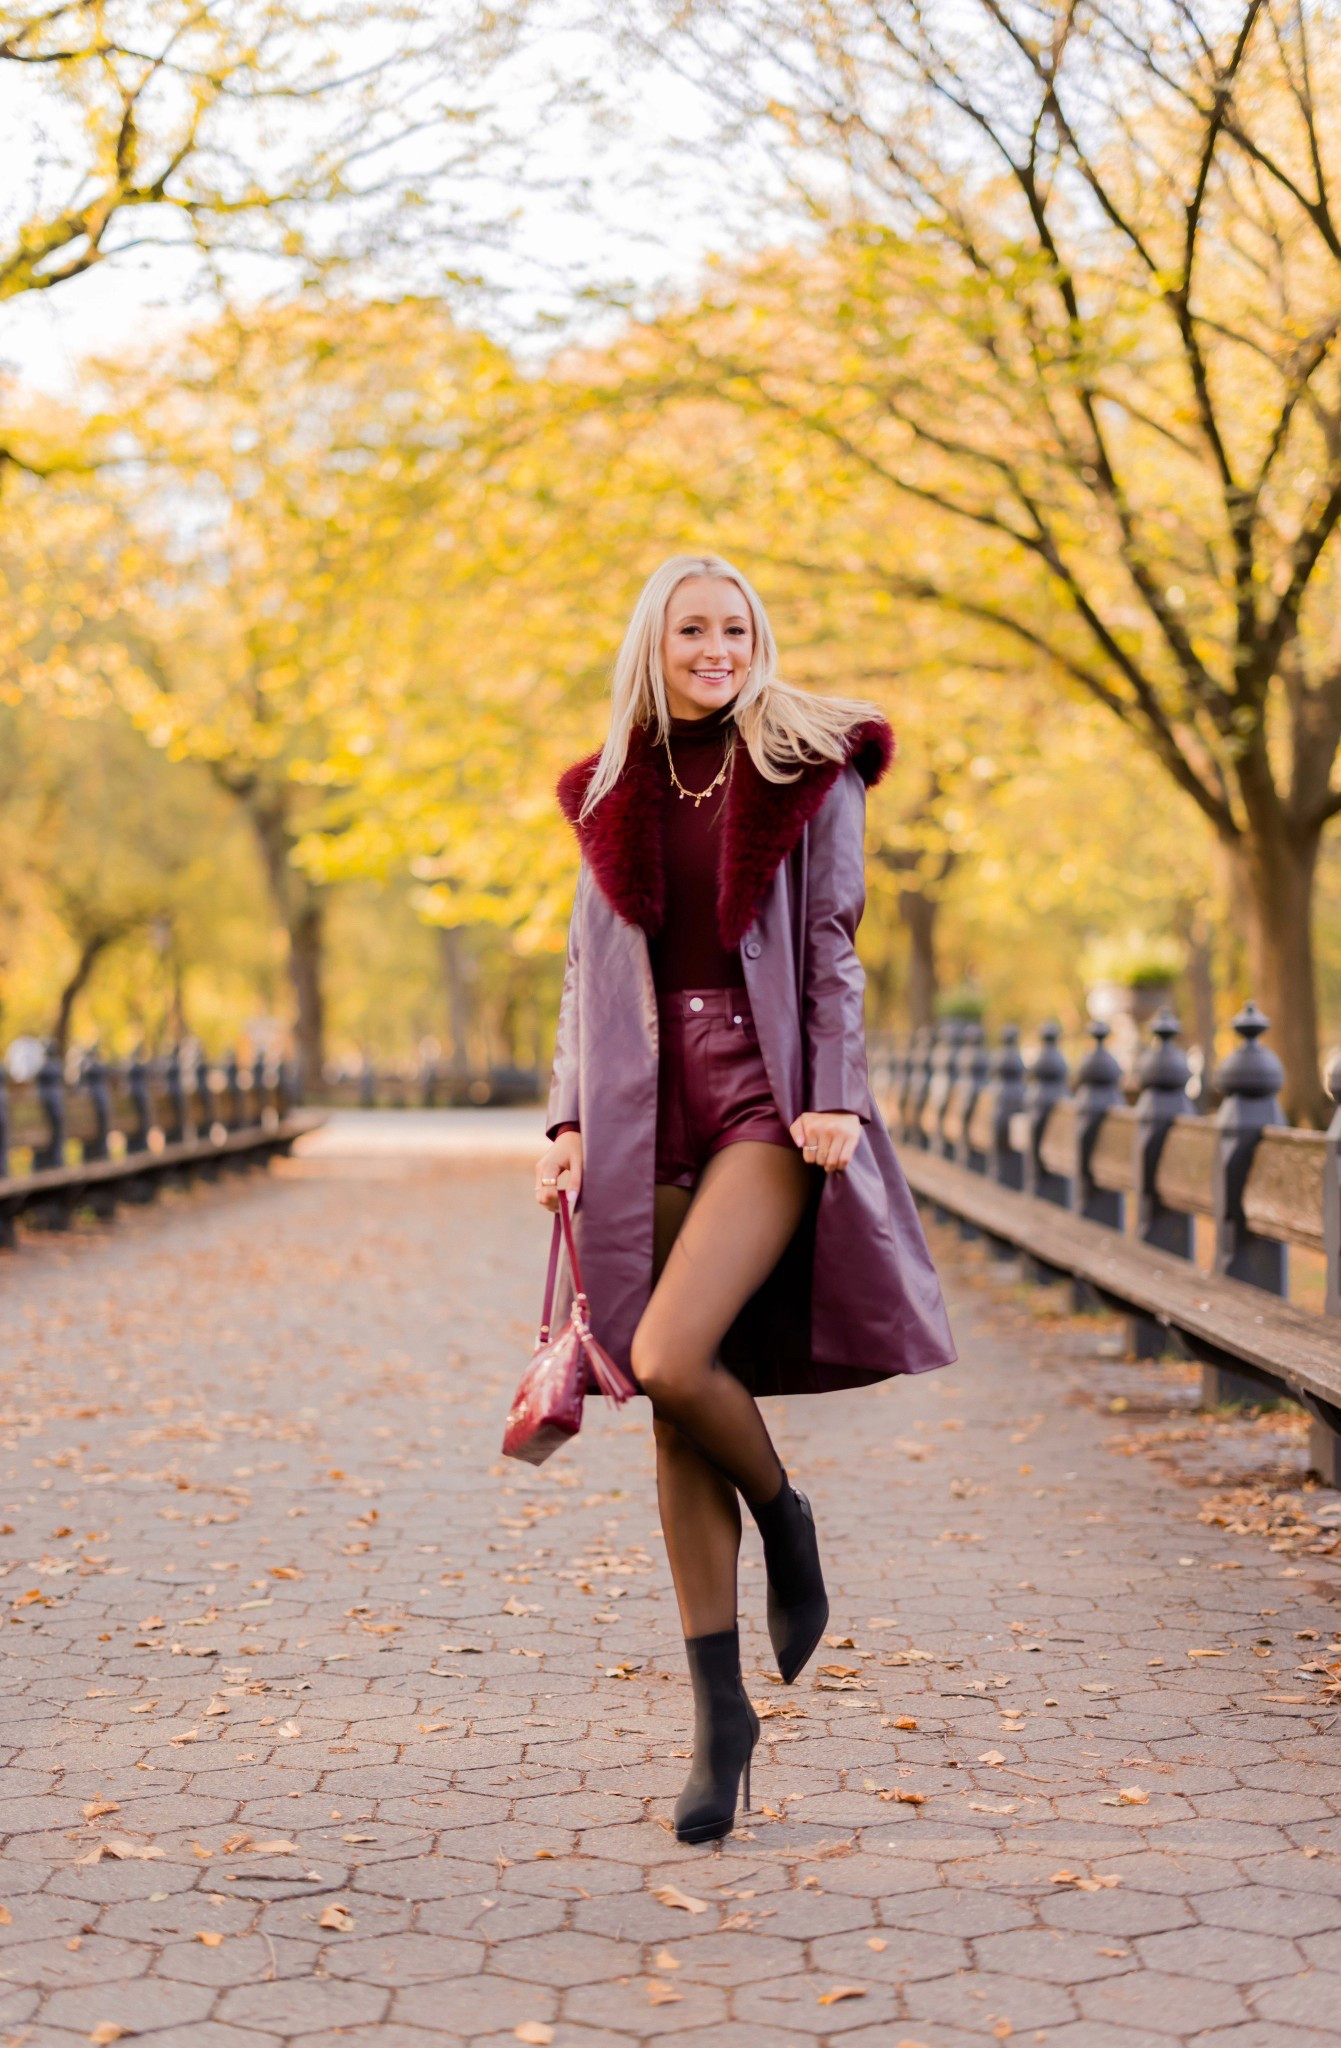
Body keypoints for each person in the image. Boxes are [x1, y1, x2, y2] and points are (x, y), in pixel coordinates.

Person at [534, 552, 955, 1844]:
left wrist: (834, 1091)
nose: (713, 647)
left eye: (732, 627)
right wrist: (562, 1116)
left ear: (755, 638)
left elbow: (832, 945)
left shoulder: (808, 770)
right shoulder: (614, 783)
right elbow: (580, 971)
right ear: (652, 646)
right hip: (640, 1099)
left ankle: (787, 1516)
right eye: (689, 630)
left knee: (665, 1353)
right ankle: (720, 1721)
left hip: (764, 1099)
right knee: (672, 1405)